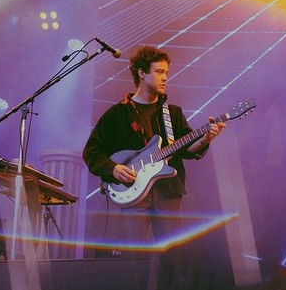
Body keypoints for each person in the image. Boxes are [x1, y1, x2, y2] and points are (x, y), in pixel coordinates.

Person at [83, 45, 225, 247]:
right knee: (135, 255)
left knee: (173, 254)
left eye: (166, 72)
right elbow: (91, 151)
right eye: (159, 72)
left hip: (168, 192)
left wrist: (205, 140)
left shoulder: (173, 113)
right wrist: (113, 169)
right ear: (141, 73)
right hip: (132, 192)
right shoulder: (117, 114)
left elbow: (186, 149)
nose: (165, 78)